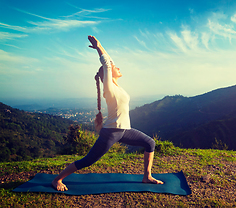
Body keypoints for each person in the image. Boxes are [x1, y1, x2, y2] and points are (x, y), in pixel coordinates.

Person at [52, 35, 163, 191]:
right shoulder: (109, 89)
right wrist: (98, 48)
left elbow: (109, 63)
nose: (117, 67)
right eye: (114, 68)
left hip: (124, 130)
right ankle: (57, 179)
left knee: (150, 143)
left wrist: (102, 46)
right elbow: (107, 65)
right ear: (108, 75)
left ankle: (147, 176)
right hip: (111, 132)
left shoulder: (117, 87)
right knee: (88, 160)